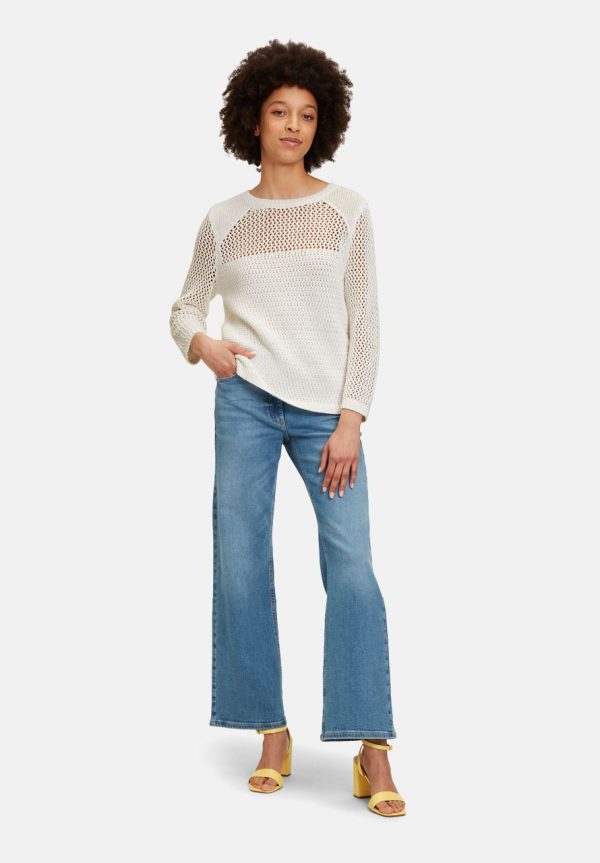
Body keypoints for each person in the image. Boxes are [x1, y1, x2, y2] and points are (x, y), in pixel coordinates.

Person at [169, 39, 405, 817]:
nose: (294, 125)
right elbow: (185, 306)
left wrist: (351, 417)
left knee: (353, 567)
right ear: (254, 119)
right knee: (240, 562)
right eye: (280, 111)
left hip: (326, 414)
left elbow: (365, 321)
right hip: (243, 401)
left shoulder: (347, 211)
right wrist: (203, 345)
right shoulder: (224, 220)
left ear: (322, 123)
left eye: (307, 114)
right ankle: (270, 732)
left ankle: (372, 747)